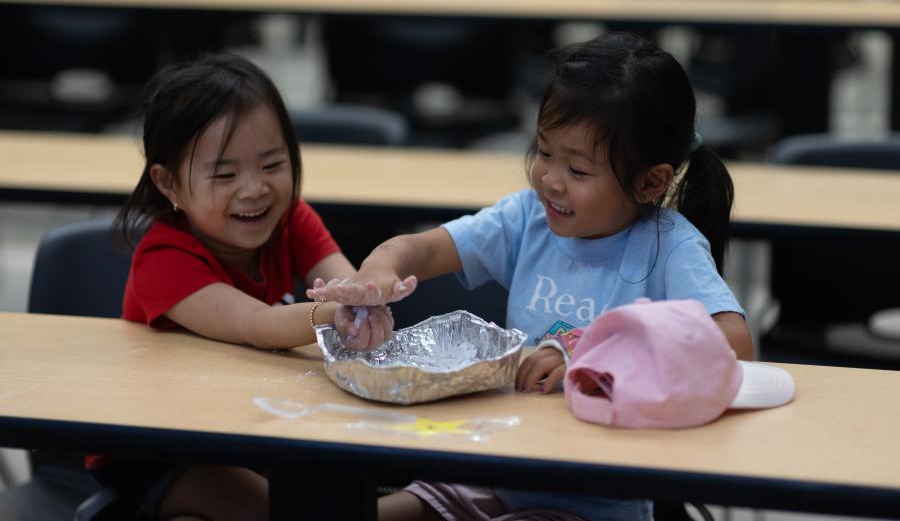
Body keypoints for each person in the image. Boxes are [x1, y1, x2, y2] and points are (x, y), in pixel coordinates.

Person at [308, 32, 754, 521]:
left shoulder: (669, 245)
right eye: (544, 152)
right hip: (501, 470)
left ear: (651, 181)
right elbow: (419, 248)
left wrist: (592, 354)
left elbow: (735, 345)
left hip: (591, 500)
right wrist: (378, 274)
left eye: (578, 171)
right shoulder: (528, 219)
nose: (549, 179)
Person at [89, 52, 394, 521]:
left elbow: (342, 282)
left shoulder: (291, 217)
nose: (254, 189)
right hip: (161, 445)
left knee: (343, 487)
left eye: (272, 165)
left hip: (247, 421)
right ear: (168, 183)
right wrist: (335, 313)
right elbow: (256, 323)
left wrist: (366, 296)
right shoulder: (163, 259)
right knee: (276, 510)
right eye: (225, 174)